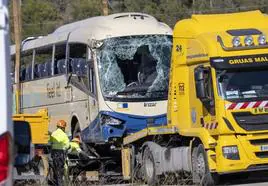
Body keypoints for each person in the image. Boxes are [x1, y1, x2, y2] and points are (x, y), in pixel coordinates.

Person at [49, 120, 70, 186]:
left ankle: (55, 183)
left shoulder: (53, 133)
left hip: (54, 153)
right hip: (60, 153)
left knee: (55, 170)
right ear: (63, 128)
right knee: (60, 171)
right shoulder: (64, 135)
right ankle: (60, 184)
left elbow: (50, 142)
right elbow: (67, 145)